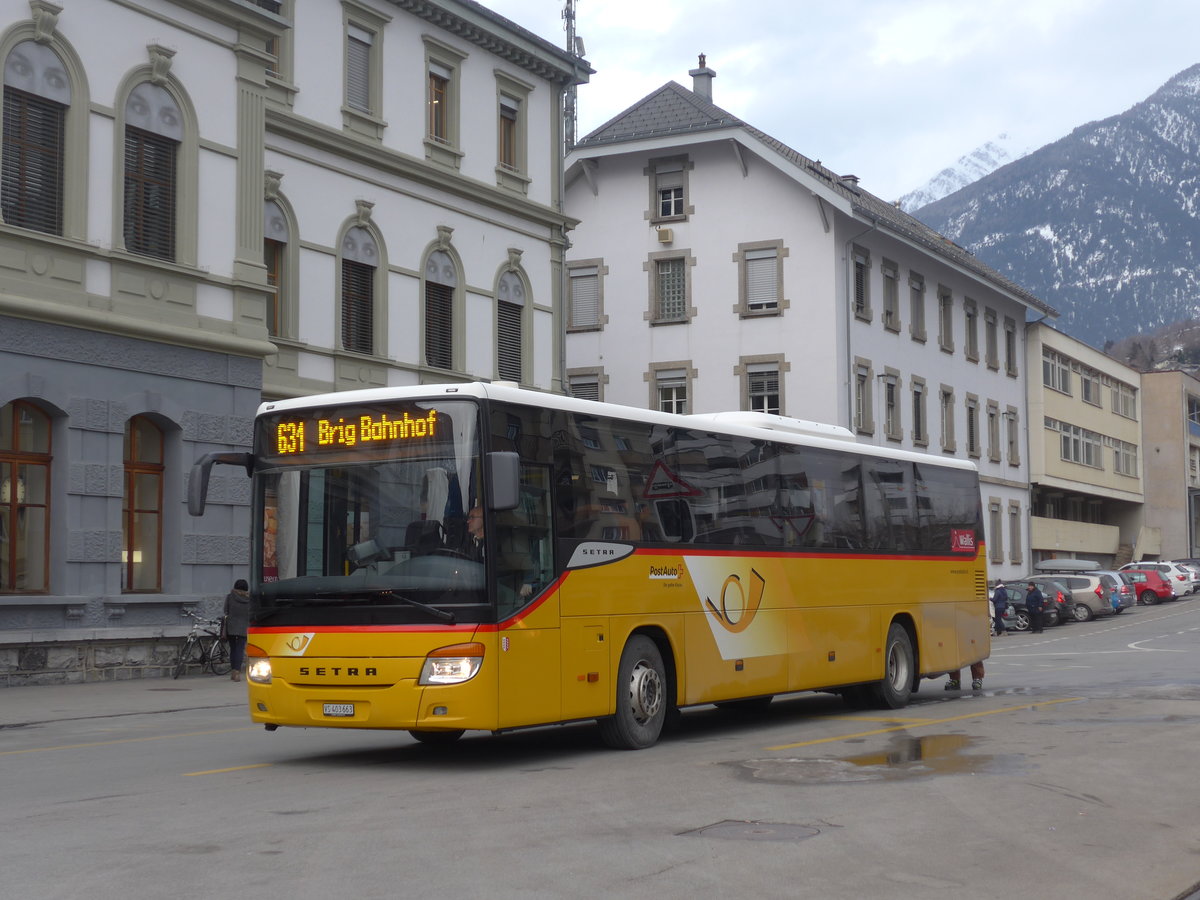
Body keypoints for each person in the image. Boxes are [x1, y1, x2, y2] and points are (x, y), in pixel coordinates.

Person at [224, 579, 250, 682]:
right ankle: (237, 672)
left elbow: (225, 610)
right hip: (244, 627)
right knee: (240, 649)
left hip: (231, 626)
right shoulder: (250, 599)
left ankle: (233, 671)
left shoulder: (230, 597)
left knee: (233, 649)